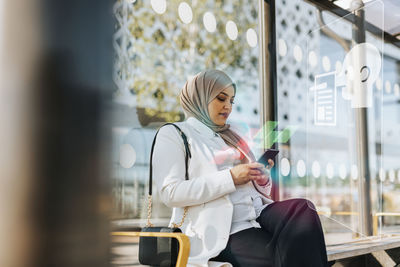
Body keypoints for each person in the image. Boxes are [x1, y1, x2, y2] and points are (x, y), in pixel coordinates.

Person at [153, 69, 328, 267]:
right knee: (280, 257)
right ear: (200, 97)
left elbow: (252, 192)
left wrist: (260, 180)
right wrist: (231, 177)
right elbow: (171, 193)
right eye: (221, 98)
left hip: (257, 216)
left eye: (231, 101)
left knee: (303, 210)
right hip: (223, 229)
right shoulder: (175, 134)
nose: (228, 106)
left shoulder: (231, 136)